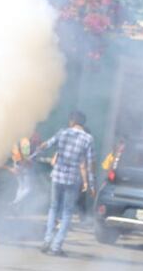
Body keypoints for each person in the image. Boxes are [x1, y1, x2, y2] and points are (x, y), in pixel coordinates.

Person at [32, 110, 96, 257]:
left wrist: (32, 155)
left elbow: (45, 145)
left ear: (72, 121)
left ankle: (47, 241)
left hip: (57, 177)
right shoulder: (88, 139)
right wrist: (91, 184)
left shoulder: (63, 133)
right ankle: (56, 246)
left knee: (53, 208)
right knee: (67, 213)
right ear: (82, 123)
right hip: (72, 180)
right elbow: (90, 163)